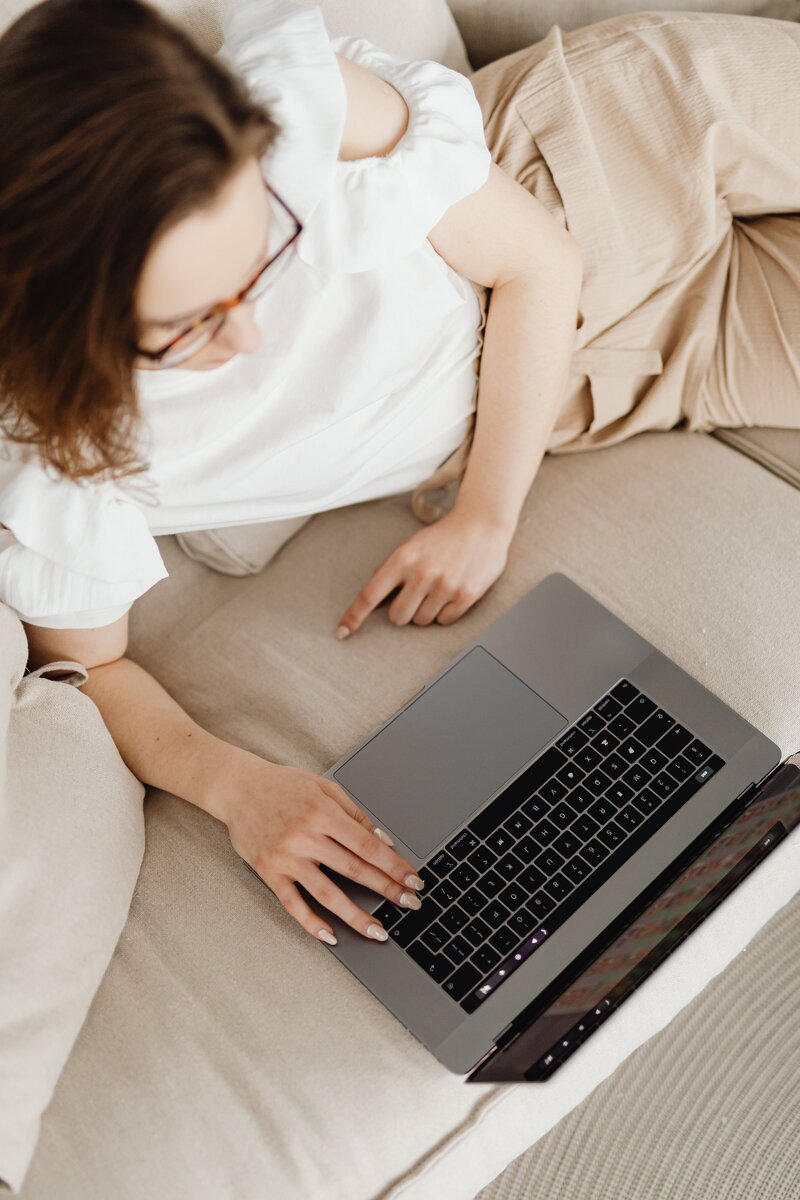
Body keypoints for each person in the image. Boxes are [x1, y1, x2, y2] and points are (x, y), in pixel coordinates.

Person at [1, 0, 798, 949]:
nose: (249, 332)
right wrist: (240, 788)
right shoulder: (57, 462)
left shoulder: (298, 115)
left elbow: (538, 263)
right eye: (190, 328)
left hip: (604, 154)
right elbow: (94, 664)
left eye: (266, 249)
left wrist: (486, 516)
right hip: (615, 378)